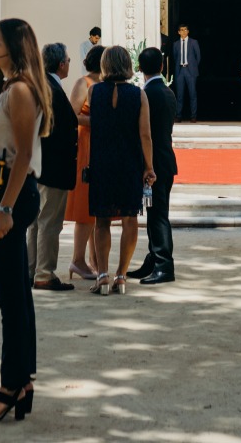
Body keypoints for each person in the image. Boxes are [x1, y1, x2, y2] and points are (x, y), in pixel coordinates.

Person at [0, 18, 46, 423]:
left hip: (10, 192)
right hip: (2, 192)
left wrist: (3, 209)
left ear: (15, 48)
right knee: (18, 294)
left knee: (10, 300)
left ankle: (11, 386)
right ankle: (23, 381)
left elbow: (22, 155)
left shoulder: (19, 90)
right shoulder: (10, 87)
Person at [85, 44, 153, 295]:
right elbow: (145, 135)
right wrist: (149, 166)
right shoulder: (139, 95)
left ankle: (102, 274)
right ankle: (121, 275)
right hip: (129, 162)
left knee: (101, 220)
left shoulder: (93, 91)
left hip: (102, 160)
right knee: (129, 218)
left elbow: (97, 123)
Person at [30, 43, 79, 292]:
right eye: (68, 60)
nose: (69, 63)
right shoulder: (51, 90)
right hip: (53, 167)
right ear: (61, 64)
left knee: (37, 222)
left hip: (41, 167)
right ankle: (44, 273)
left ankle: (32, 269)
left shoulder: (43, 86)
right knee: (49, 223)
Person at [129, 46, 179, 285]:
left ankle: (163, 264)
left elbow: (144, 133)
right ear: (162, 66)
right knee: (156, 213)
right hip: (165, 159)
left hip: (154, 162)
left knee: (158, 215)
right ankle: (153, 259)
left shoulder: (146, 94)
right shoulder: (167, 92)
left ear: (139, 68)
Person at [65, 44, 102, 283]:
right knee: (85, 206)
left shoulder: (104, 84)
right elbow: (72, 115)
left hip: (98, 146)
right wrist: (97, 120)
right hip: (86, 146)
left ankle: (94, 259)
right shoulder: (84, 83)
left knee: (95, 207)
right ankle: (77, 259)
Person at [170, 24, 201, 122]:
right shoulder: (175, 44)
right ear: (178, 32)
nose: (183, 32)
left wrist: (193, 66)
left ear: (188, 31)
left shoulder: (194, 42)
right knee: (179, 95)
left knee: (192, 94)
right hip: (180, 71)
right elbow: (175, 57)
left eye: (185, 30)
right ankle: (178, 116)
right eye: (181, 30)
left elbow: (198, 57)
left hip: (190, 71)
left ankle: (193, 116)